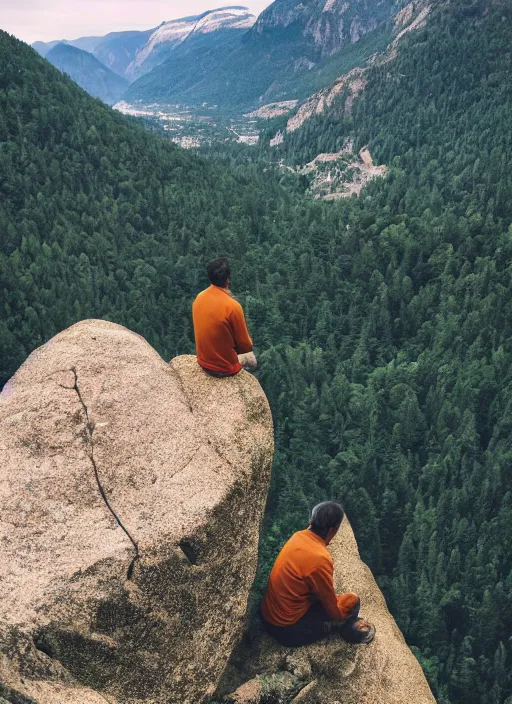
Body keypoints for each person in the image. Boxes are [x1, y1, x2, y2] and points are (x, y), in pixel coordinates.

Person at [261, 501, 376, 647]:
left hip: (267, 613)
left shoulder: (298, 536)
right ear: (332, 530)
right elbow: (333, 610)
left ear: (312, 520)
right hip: (288, 630)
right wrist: (344, 611)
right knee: (353, 601)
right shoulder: (320, 558)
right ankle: (349, 631)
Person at [192, 257, 257, 377]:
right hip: (224, 368)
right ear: (227, 280)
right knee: (250, 358)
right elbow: (245, 346)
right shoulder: (233, 306)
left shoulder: (199, 297)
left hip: (203, 361)